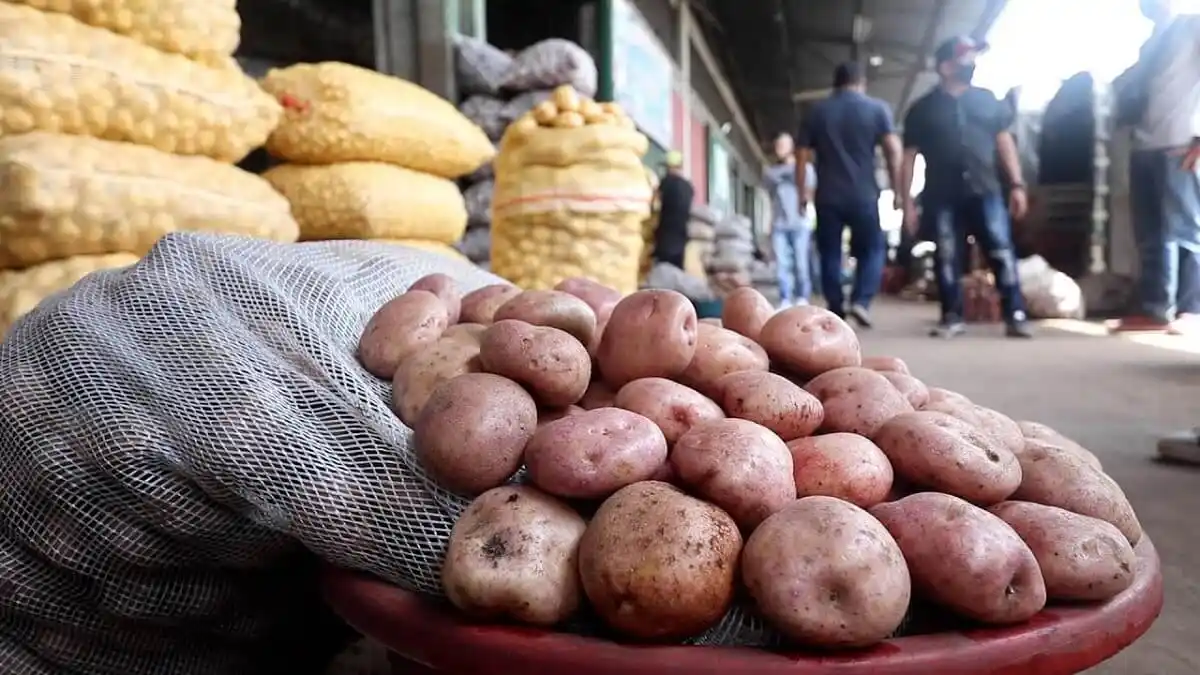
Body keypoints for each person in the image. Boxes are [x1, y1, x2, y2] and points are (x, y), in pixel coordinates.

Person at [898, 36, 1033, 339]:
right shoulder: (922, 109)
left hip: (986, 190)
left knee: (1000, 250)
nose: (971, 63)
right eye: (965, 57)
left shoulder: (988, 100)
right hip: (941, 194)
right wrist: (905, 202)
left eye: (973, 57)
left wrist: (1016, 184)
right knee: (947, 255)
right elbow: (908, 159)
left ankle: (1016, 314)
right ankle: (951, 317)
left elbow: (1004, 142)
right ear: (945, 66)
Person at [1111, 0, 1200, 337]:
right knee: (1151, 235)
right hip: (1145, 145)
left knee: (1187, 232)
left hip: (1180, 143)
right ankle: (1155, 309)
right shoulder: (1151, 41)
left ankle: (1193, 309)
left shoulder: (1192, 25)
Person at [797, 61, 903, 328]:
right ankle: (861, 300)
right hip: (864, 193)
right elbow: (893, 149)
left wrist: (802, 193)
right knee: (873, 248)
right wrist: (897, 187)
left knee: (830, 252)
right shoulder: (877, 109)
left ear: (836, 82)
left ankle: (835, 306)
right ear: (861, 82)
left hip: (828, 195)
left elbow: (801, 156)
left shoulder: (817, 111)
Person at [763, 132, 817, 307]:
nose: (780, 148)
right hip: (779, 223)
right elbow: (771, 198)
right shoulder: (770, 173)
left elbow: (810, 191)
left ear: (792, 147)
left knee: (801, 264)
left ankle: (802, 297)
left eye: (783, 145)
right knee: (781, 264)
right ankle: (785, 298)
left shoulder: (806, 169)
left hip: (800, 223)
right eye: (777, 145)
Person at [652, 150, 694, 269]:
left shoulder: (666, 183)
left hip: (665, 239)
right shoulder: (688, 187)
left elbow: (655, 205)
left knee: (662, 276)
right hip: (681, 239)